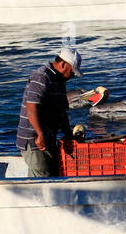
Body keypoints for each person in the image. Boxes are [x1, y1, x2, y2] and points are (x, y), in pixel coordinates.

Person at [16, 47, 81, 176]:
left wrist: (69, 135)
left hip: (49, 139)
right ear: (63, 64)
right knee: (43, 179)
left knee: (53, 173)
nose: (73, 76)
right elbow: (31, 107)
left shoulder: (60, 80)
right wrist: (40, 134)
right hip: (34, 141)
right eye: (72, 72)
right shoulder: (41, 76)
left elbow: (62, 112)